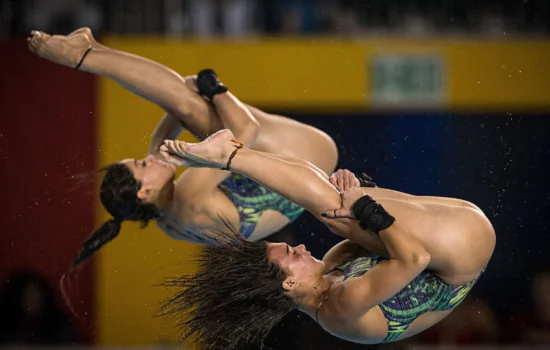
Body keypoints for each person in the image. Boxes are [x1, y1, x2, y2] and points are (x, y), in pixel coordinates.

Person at [26, 28, 338, 269]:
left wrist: (184, 99)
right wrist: (216, 89)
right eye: (142, 164)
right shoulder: (188, 195)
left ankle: (90, 51)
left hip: (290, 177)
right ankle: (84, 55)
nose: (149, 159)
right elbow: (247, 131)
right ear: (144, 193)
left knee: (189, 108)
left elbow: (168, 129)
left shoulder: (168, 217)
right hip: (311, 157)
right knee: (198, 110)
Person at [156, 129, 495, 349]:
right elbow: (413, 258)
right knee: (334, 209)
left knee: (336, 207)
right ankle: (229, 156)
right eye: (291, 253)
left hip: (454, 231)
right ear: (288, 285)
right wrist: (363, 206)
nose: (302, 247)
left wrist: (358, 191)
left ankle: (232, 153)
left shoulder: (331, 265)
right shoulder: (340, 308)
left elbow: (376, 231)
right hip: (462, 252)